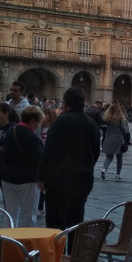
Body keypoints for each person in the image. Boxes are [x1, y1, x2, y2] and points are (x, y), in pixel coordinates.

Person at [38, 87, 100, 244]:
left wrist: (42, 177)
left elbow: (49, 151)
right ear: (82, 103)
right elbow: (95, 152)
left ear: (65, 104)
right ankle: (73, 258)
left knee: (55, 224)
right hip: (84, 178)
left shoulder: (60, 121)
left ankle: (57, 260)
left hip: (59, 179)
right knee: (76, 220)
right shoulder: (91, 123)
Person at [1, 105, 44, 227]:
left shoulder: (11, 131)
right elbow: (39, 160)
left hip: (8, 177)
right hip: (27, 180)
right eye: (38, 123)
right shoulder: (32, 138)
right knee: (28, 215)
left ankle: (8, 242)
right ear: (32, 121)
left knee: (10, 214)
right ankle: (24, 243)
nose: (38, 126)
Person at [100, 101, 129, 180]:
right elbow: (124, 130)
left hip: (108, 138)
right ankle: (118, 174)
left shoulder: (107, 118)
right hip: (118, 139)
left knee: (109, 157)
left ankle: (104, 169)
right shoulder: (120, 119)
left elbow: (103, 126)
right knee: (119, 157)